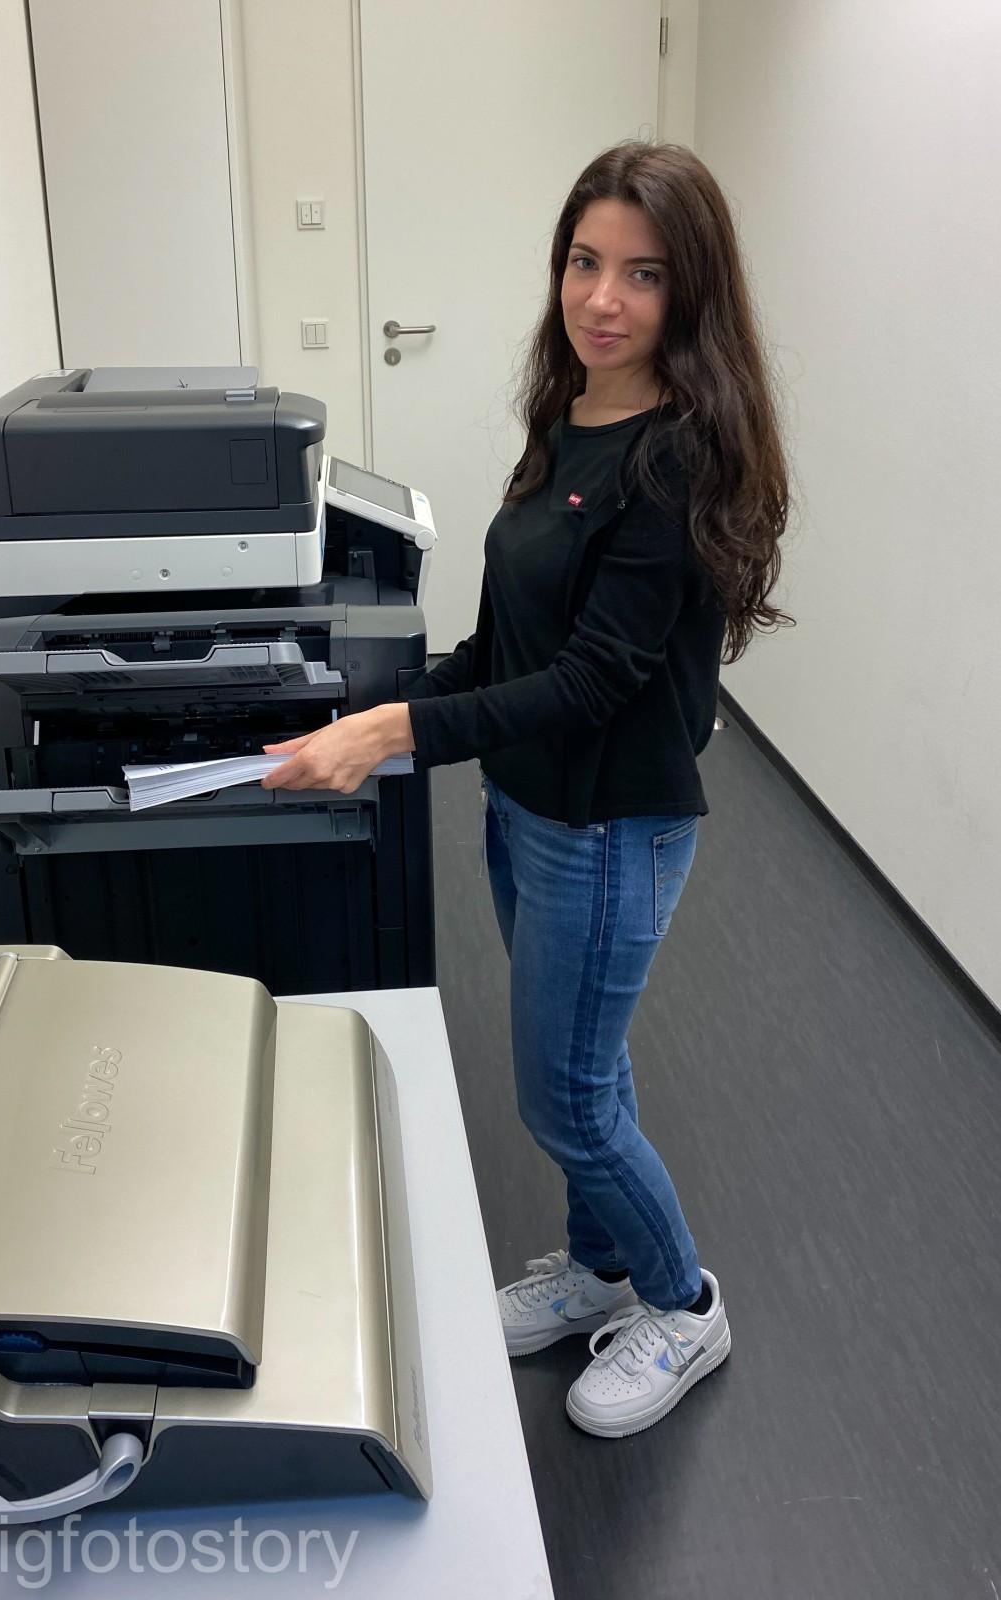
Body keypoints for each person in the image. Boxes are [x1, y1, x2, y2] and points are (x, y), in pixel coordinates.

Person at [262, 140, 790, 1438]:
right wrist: (375, 697)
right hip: (529, 805)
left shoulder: (673, 462)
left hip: (610, 824)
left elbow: (596, 682)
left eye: (643, 274)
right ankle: (600, 1269)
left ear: (693, 292)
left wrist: (395, 732)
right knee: (574, 1066)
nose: (602, 297)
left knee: (566, 1093)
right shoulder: (576, 416)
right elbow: (515, 648)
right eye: (584, 261)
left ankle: (680, 1301)